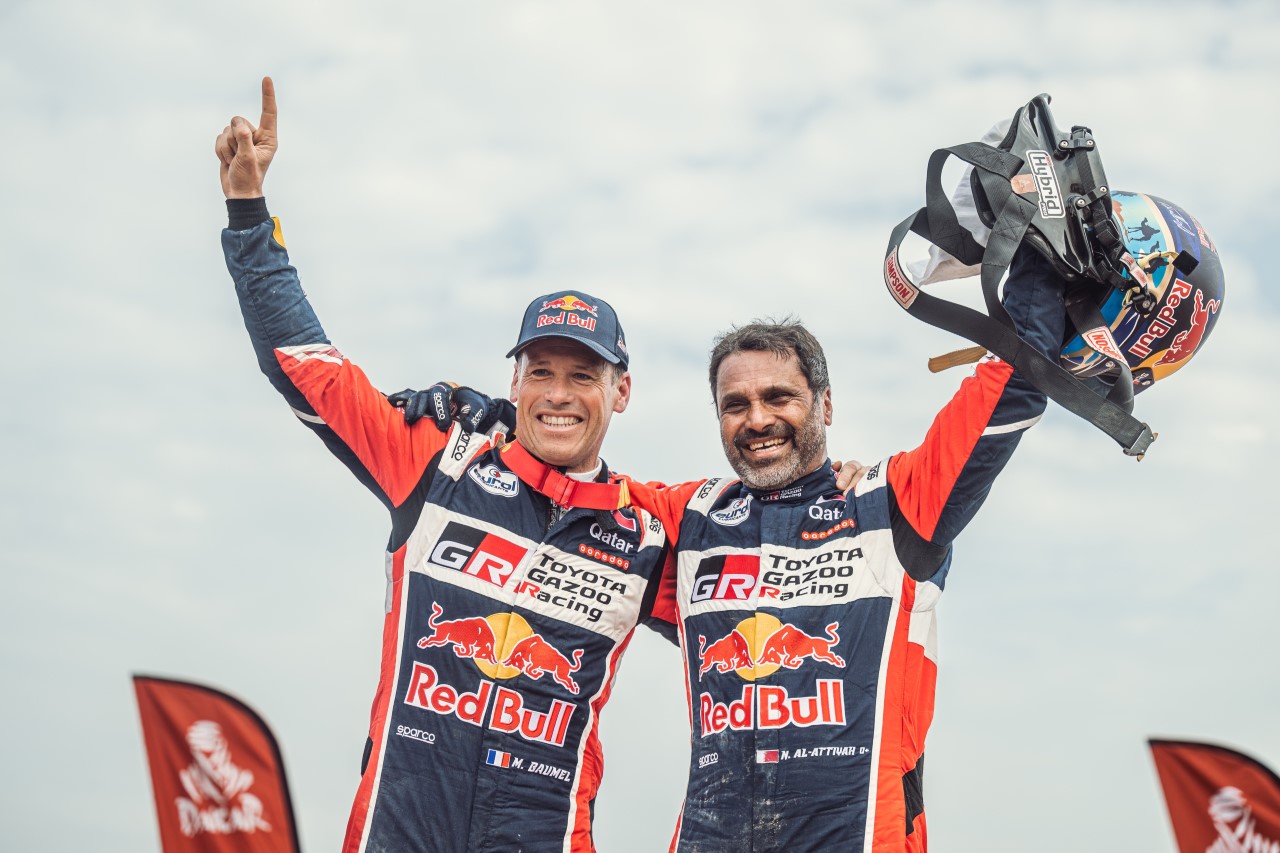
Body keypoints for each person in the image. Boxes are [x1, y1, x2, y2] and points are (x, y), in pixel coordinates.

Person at [421, 237, 1065, 851]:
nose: (757, 419)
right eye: (735, 404)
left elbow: (1011, 383)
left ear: (825, 406)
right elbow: (569, 479)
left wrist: (1038, 257)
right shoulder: (687, 519)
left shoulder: (894, 505)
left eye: (779, 397)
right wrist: (497, 417)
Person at [216, 76, 681, 853]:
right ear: (515, 382)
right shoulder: (438, 462)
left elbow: (776, 567)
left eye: (582, 375)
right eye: (540, 371)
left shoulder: (650, 531)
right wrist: (247, 212)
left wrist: (835, 482)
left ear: (621, 391)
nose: (557, 394)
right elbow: (305, 365)